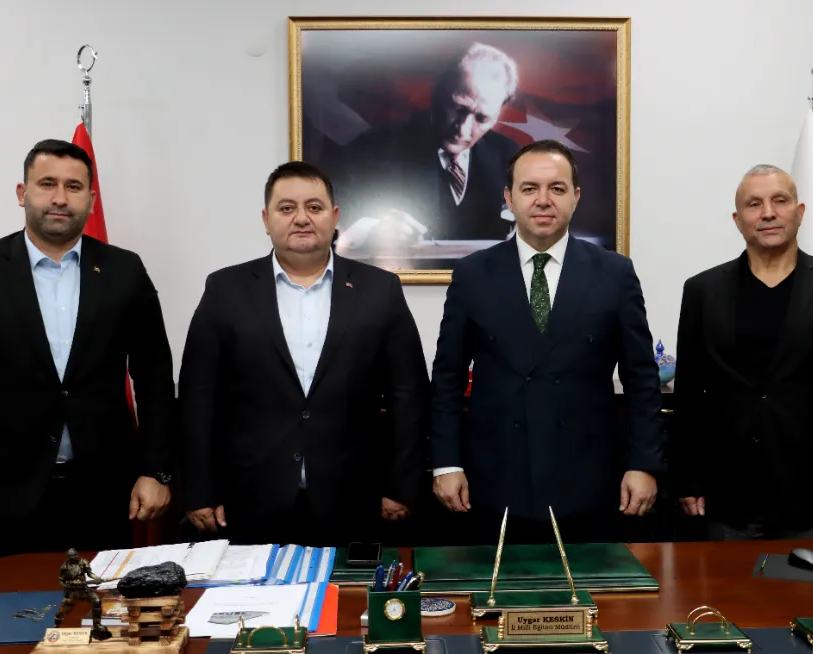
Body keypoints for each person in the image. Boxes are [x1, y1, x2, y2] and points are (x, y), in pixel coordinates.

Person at [0, 139, 176, 574]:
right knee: (7, 613)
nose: (60, 198)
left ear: (91, 200)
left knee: (101, 614)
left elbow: (154, 380)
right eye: (47, 184)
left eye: (74, 187)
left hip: (106, 495)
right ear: (23, 193)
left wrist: (157, 471)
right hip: (1, 498)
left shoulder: (125, 271)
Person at [179, 161, 430, 546]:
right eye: (286, 208)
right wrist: (199, 490)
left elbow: (408, 394)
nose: (301, 218)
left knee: (346, 588)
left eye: (314, 207)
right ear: (266, 220)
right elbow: (198, 397)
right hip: (248, 499)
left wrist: (403, 484)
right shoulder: (225, 289)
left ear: (334, 217)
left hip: (355, 499)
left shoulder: (380, 289)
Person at [428, 139, 664, 544]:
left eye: (556, 188)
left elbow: (642, 379)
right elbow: (447, 377)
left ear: (575, 196)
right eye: (529, 188)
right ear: (509, 198)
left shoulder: (615, 273)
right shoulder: (472, 274)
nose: (543, 200)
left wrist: (643, 463)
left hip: (589, 481)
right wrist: (446, 464)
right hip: (494, 482)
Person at [673, 164, 813, 540]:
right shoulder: (702, 291)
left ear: (799, 213)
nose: (768, 212)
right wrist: (688, 479)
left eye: (779, 201)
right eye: (754, 204)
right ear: (738, 220)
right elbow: (688, 395)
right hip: (727, 496)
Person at [332, 42, 520, 252]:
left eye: (482, 118)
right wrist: (371, 229)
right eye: (458, 107)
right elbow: (331, 214)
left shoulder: (508, 155)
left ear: (498, 114)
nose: (463, 129)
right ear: (437, 93)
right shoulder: (371, 149)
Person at [55, 548, 111, 640]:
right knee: (63, 610)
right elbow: (61, 580)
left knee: (96, 600)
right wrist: (66, 585)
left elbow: (90, 573)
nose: (74, 558)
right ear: (68, 557)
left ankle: (97, 625)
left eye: (75, 556)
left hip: (84, 589)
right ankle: (56, 626)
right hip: (72, 591)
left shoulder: (83, 562)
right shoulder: (64, 567)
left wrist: (96, 578)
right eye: (72, 557)